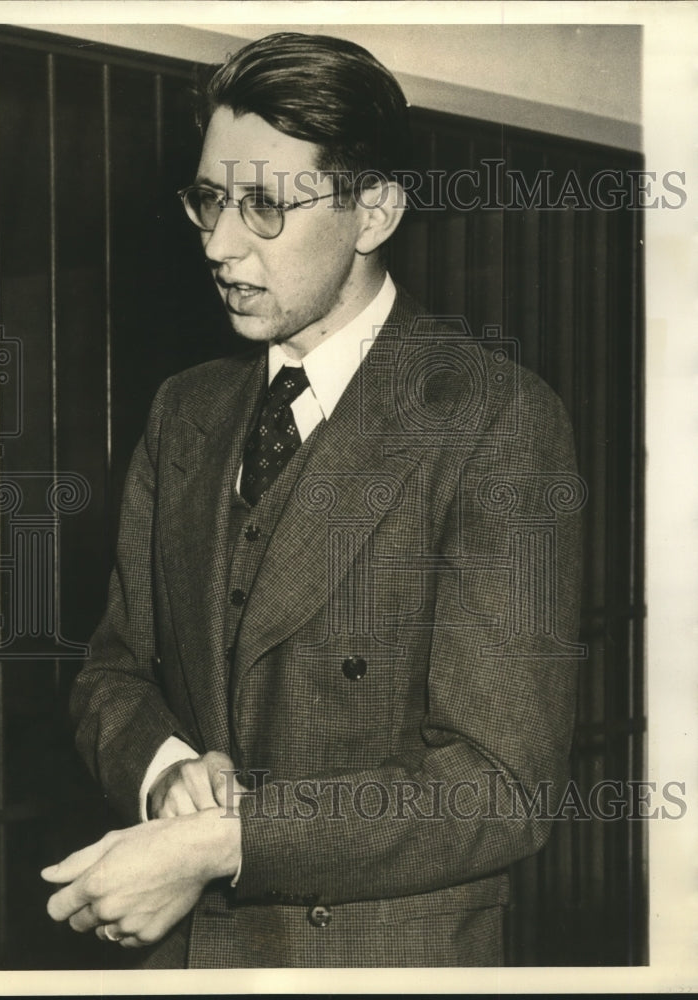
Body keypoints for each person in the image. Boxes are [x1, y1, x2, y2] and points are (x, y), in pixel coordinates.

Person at [42, 31, 583, 968]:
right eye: (210, 200)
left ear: (373, 211)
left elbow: (501, 789)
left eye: (263, 206)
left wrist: (229, 839)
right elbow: (113, 672)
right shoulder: (186, 411)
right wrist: (168, 773)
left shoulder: (492, 418)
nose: (219, 244)